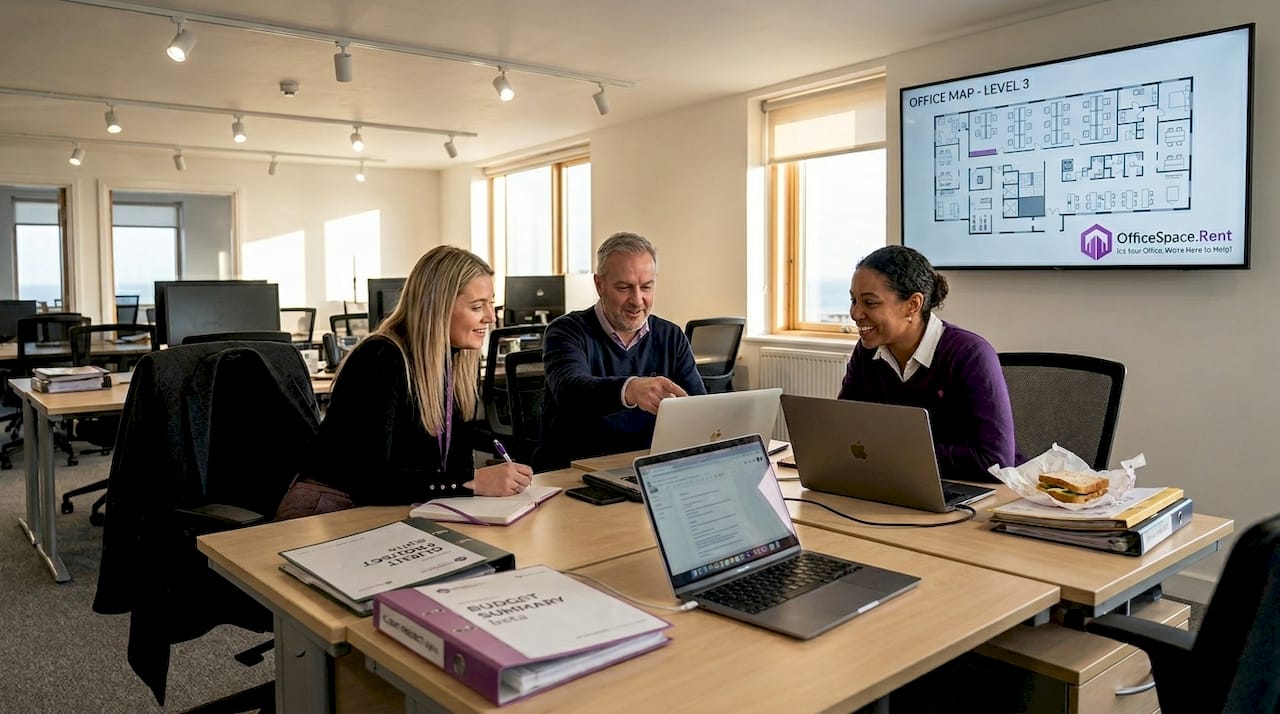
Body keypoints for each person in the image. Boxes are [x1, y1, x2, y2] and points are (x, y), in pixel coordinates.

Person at [300, 245, 533, 505]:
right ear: (438, 308)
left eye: (491, 304)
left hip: (404, 507)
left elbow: (451, 464)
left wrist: (474, 482)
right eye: (477, 307)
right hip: (334, 508)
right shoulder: (381, 358)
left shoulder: (456, 362)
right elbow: (370, 483)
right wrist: (472, 481)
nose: (490, 317)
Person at [839, 245, 1016, 481]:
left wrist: (893, 452)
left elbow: (995, 461)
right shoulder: (867, 352)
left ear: (913, 304)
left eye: (870, 303)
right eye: (853, 300)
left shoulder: (971, 354)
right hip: (900, 482)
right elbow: (844, 430)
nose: (856, 313)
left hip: (978, 493)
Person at [533, 232, 706, 470]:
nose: (637, 300)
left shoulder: (671, 336)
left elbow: (698, 407)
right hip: (572, 473)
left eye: (646, 287)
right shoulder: (566, 331)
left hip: (644, 469)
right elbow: (570, 390)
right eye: (624, 288)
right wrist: (630, 389)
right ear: (599, 284)